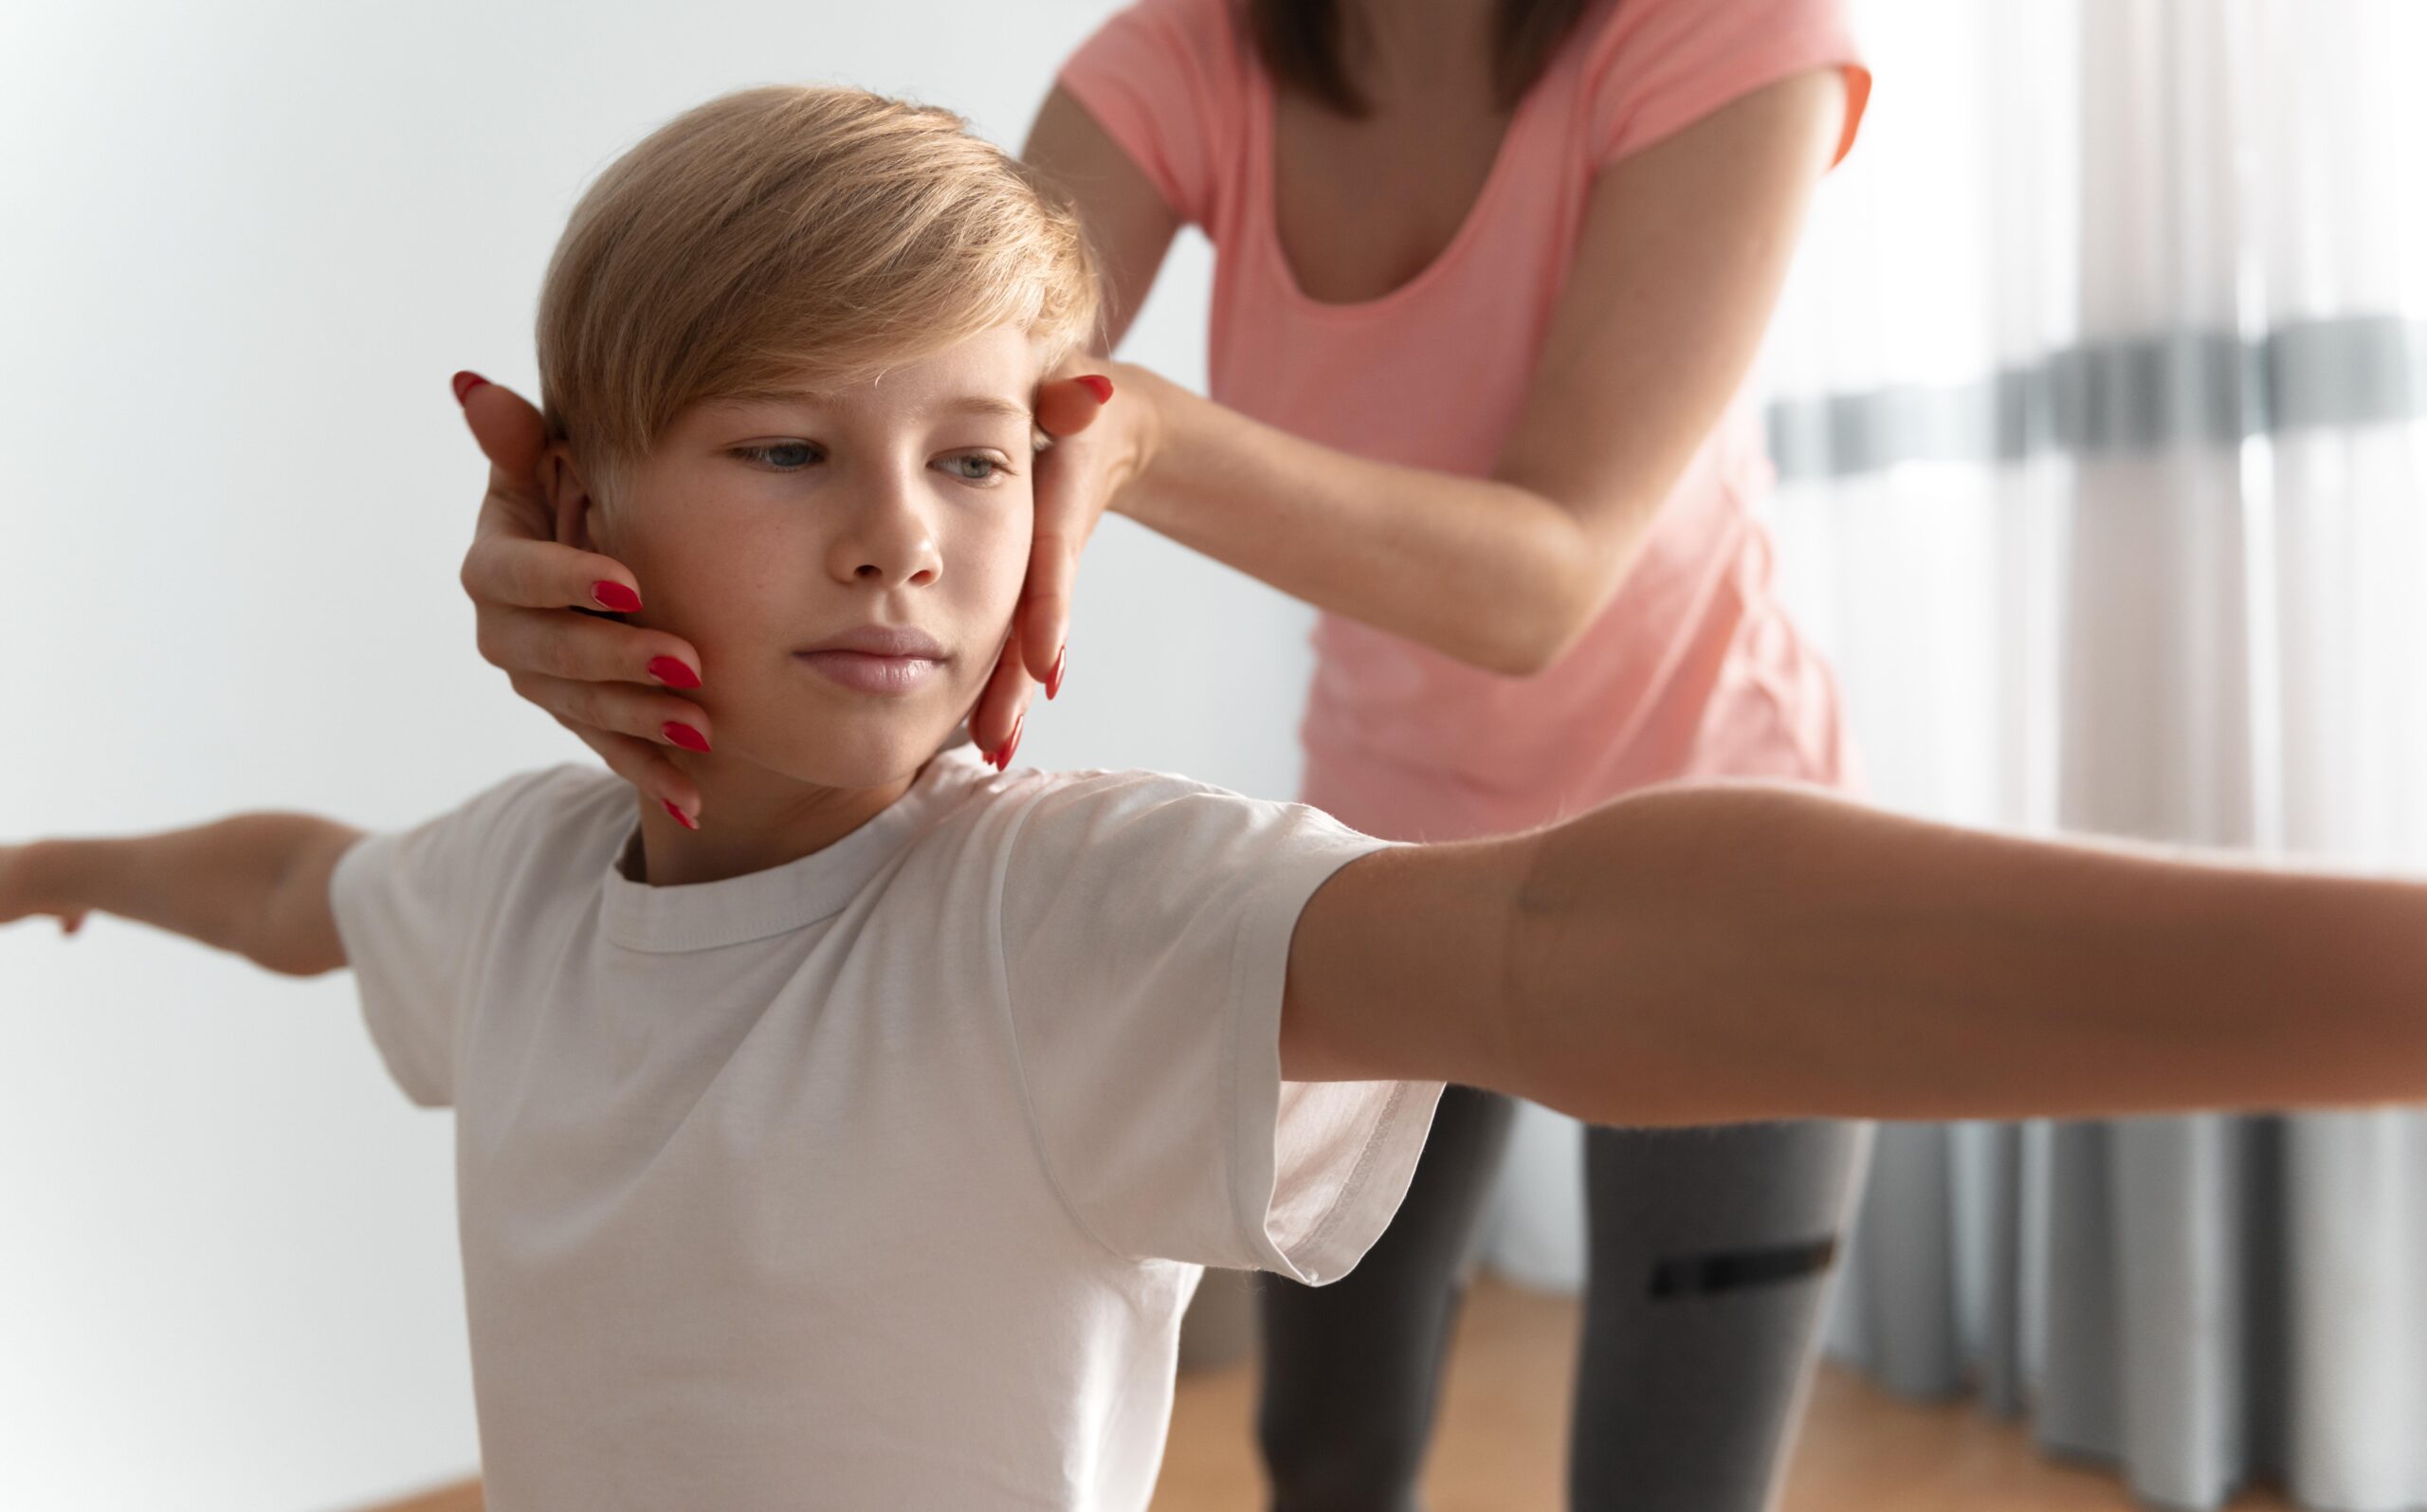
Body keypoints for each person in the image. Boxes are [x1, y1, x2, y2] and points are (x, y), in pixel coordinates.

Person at [9, 79, 2427, 1512]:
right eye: (785, 451)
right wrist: (50, 868)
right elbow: (303, 885)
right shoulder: (519, 890)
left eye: (976, 459)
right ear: (566, 497)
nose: (903, 535)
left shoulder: (1061, 917)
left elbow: (1552, 944)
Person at [459, 1, 1881, 1505]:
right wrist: (580, 530)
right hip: (1392, 827)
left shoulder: (1728, 31)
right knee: (1331, 1453)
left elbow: (1543, 583)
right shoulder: (1191, 58)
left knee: (1681, 1482)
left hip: (1716, 815)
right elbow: (922, 349)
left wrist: (1139, 432)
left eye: (971, 471)